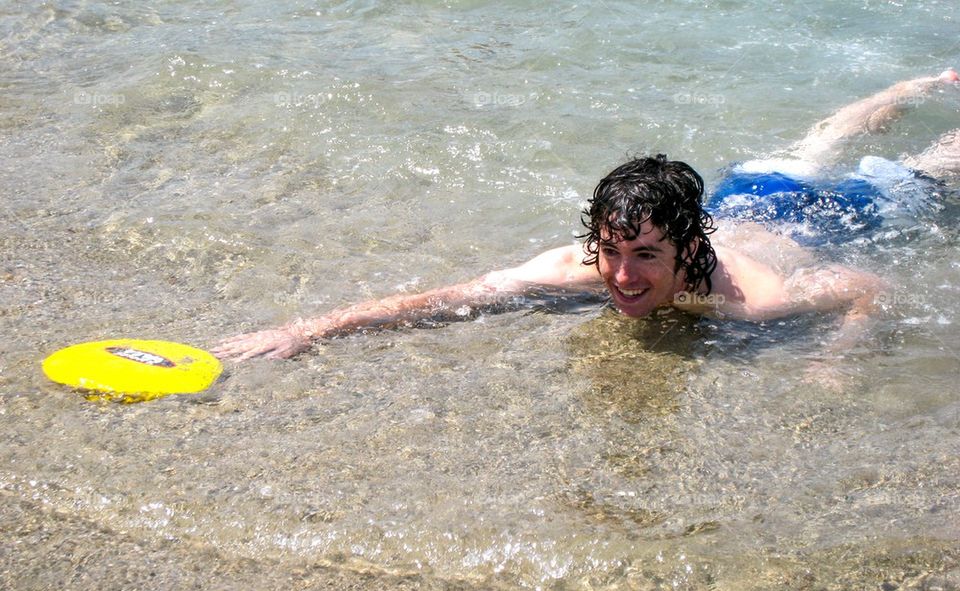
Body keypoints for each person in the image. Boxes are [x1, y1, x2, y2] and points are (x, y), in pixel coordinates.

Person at [213, 69, 959, 378]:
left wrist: (840, 356)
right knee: (815, 145)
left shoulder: (754, 296)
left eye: (643, 257)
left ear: (689, 248)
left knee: (926, 172)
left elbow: (869, 285)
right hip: (745, 191)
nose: (621, 277)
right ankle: (901, 91)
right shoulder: (583, 265)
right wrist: (309, 328)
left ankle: (926, 107)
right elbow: (448, 298)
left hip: (817, 216)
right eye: (609, 252)